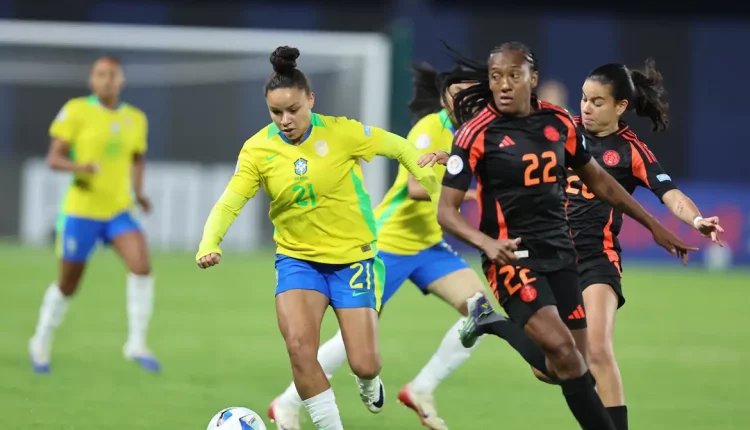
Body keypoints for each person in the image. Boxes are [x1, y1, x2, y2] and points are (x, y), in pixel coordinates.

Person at [432, 42, 696, 430]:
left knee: (565, 367)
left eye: (514, 75)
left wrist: (654, 225)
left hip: (566, 256)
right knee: (570, 355)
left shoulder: (558, 124)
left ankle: (490, 322)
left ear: (532, 79)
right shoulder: (475, 132)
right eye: (495, 76)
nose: (503, 84)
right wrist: (487, 243)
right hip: (514, 256)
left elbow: (602, 182)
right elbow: (445, 211)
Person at [195, 46, 441, 430]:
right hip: (298, 260)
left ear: (311, 100)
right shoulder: (258, 150)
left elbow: (399, 147)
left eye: (293, 110)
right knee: (299, 351)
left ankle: (368, 381)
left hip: (353, 259)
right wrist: (209, 242)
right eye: (276, 112)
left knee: (365, 362)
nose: (285, 120)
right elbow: (230, 202)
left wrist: (435, 188)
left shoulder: (342, 132)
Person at [267, 62, 492, 430]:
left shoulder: (477, 133)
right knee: (355, 342)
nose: (464, 101)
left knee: (481, 312)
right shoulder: (430, 128)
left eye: (470, 94)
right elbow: (417, 187)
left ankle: (421, 389)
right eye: (456, 94)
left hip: (428, 245)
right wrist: (474, 194)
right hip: (388, 243)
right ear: (443, 99)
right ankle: (287, 403)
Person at [566, 59, 724, 430]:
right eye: (584, 99)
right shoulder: (561, 131)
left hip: (597, 259)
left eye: (597, 102)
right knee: (550, 367)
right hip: (552, 258)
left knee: (599, 350)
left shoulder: (631, 150)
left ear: (621, 106)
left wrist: (697, 221)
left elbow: (671, 194)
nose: (586, 107)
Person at [28, 56, 159, 374]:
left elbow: (137, 158)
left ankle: (136, 343)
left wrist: (139, 193)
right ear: (92, 80)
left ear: (122, 80)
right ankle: (41, 340)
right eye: (101, 74)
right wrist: (81, 168)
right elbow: (54, 159)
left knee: (141, 267)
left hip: (118, 210)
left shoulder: (135, 118)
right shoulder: (76, 110)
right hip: (81, 210)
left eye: (112, 74)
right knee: (68, 284)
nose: (107, 80)